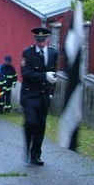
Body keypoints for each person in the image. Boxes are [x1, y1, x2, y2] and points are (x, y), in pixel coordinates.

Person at [20, 27, 59, 166]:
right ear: (35, 39)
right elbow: (25, 73)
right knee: (31, 122)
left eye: (43, 40)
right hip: (30, 95)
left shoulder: (53, 53)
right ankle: (27, 148)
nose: (41, 43)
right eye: (38, 40)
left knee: (40, 126)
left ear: (47, 39)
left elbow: (55, 72)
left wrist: (52, 90)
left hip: (44, 95)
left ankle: (36, 155)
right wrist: (44, 76)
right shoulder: (28, 53)